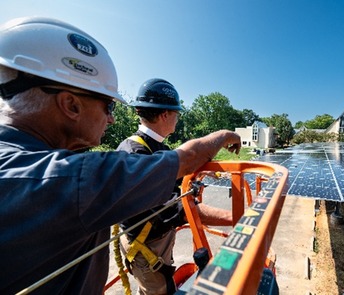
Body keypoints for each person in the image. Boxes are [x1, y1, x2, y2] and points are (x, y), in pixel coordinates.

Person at [0, 17, 240, 295]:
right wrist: (239, 212)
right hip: (147, 249)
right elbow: (182, 173)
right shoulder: (78, 177)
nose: (112, 120)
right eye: (108, 106)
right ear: (71, 104)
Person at [116, 78, 232, 295]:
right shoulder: (134, 153)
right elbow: (175, 208)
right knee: (159, 291)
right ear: (164, 115)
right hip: (146, 248)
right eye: (176, 114)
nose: (177, 120)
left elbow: (174, 181)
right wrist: (238, 217)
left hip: (155, 243)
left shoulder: (154, 146)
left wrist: (195, 175)